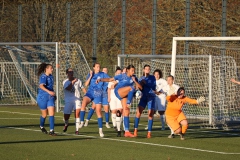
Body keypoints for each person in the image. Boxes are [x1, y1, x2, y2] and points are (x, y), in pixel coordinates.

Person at [96, 65, 142, 137]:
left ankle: (126, 131)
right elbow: (110, 79)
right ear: (127, 70)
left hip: (126, 94)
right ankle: (128, 102)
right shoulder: (122, 76)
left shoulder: (134, 77)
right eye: (132, 70)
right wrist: (101, 79)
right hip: (118, 91)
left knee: (126, 111)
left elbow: (140, 87)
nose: (133, 72)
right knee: (131, 88)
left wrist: (135, 81)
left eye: (134, 70)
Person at [78, 63, 109, 137]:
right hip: (90, 92)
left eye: (99, 66)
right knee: (83, 103)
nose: (99, 68)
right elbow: (86, 84)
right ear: (94, 68)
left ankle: (100, 130)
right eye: (97, 67)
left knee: (98, 111)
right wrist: (90, 76)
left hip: (98, 93)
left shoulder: (103, 74)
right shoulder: (90, 74)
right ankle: (82, 122)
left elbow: (109, 79)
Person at [133, 65, 156, 138]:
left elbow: (153, 86)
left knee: (150, 114)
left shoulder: (152, 77)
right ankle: (135, 130)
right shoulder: (141, 78)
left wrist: (145, 82)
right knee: (138, 112)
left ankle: (149, 132)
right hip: (143, 97)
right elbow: (140, 87)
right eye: (146, 69)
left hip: (151, 97)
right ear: (143, 70)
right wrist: (138, 84)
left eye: (148, 69)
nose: (147, 70)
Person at [62, 68, 86, 134]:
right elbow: (68, 89)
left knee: (77, 114)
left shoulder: (78, 81)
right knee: (66, 116)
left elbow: (83, 88)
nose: (71, 73)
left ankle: (77, 130)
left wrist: (86, 95)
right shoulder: (65, 81)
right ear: (67, 74)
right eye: (69, 72)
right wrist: (72, 82)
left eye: (72, 72)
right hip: (68, 100)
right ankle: (66, 124)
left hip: (77, 99)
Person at [36, 63, 56, 136]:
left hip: (50, 97)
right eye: (51, 68)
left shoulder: (51, 77)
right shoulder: (43, 76)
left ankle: (51, 130)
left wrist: (53, 94)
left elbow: (51, 87)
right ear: (46, 69)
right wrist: (49, 91)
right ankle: (41, 126)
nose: (52, 69)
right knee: (44, 114)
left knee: (52, 113)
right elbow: (41, 86)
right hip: (42, 97)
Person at [108, 66, 123, 136]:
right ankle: (114, 125)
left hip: (119, 98)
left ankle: (119, 129)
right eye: (117, 73)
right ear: (115, 73)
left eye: (120, 73)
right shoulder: (111, 80)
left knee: (119, 112)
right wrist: (109, 97)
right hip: (112, 97)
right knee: (113, 111)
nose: (118, 74)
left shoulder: (122, 80)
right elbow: (109, 88)